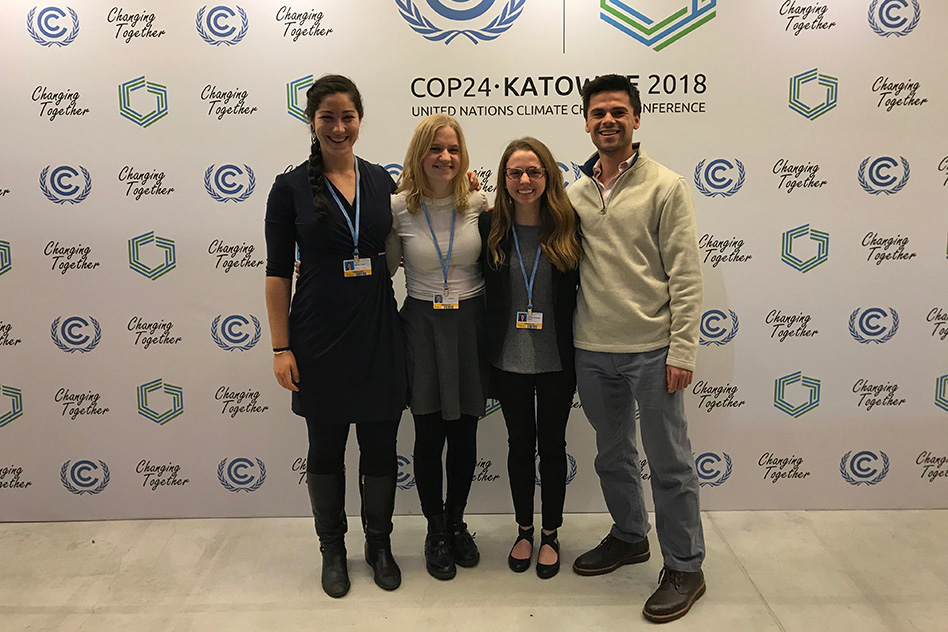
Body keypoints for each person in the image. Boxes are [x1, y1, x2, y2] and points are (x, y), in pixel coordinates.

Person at [567, 74, 706, 622]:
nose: (607, 120)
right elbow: (518, 201)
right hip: (592, 348)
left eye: (618, 112)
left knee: (669, 462)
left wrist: (683, 351)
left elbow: (687, 275)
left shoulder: (666, 186)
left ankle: (687, 567)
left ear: (636, 119)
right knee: (612, 455)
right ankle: (630, 536)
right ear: (586, 121)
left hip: (653, 349)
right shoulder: (574, 191)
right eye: (598, 112)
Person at [264, 74, 407, 599]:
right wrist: (281, 348)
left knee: (380, 447)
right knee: (324, 450)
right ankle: (332, 549)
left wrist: (473, 192)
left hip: (377, 332)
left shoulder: (381, 182)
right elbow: (277, 273)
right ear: (312, 121)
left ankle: (380, 544)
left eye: (348, 116)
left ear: (360, 121)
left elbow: (422, 227)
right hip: (317, 336)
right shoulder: (290, 187)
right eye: (328, 117)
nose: (339, 127)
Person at [386, 114, 489, 581]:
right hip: (422, 328)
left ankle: (456, 521)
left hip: (470, 325)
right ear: (418, 155)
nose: (444, 157)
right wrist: (320, 275)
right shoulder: (399, 209)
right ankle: (434, 530)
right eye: (434, 148)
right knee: (428, 436)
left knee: (466, 434)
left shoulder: (481, 203)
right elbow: (381, 271)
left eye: (452, 148)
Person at [479, 137, 581, 579]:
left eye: (534, 172)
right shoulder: (488, 228)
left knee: (553, 447)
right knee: (519, 447)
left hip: (558, 360)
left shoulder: (569, 226)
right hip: (508, 360)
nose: (524, 181)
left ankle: (552, 533)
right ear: (503, 179)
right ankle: (524, 529)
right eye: (515, 173)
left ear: (548, 177)